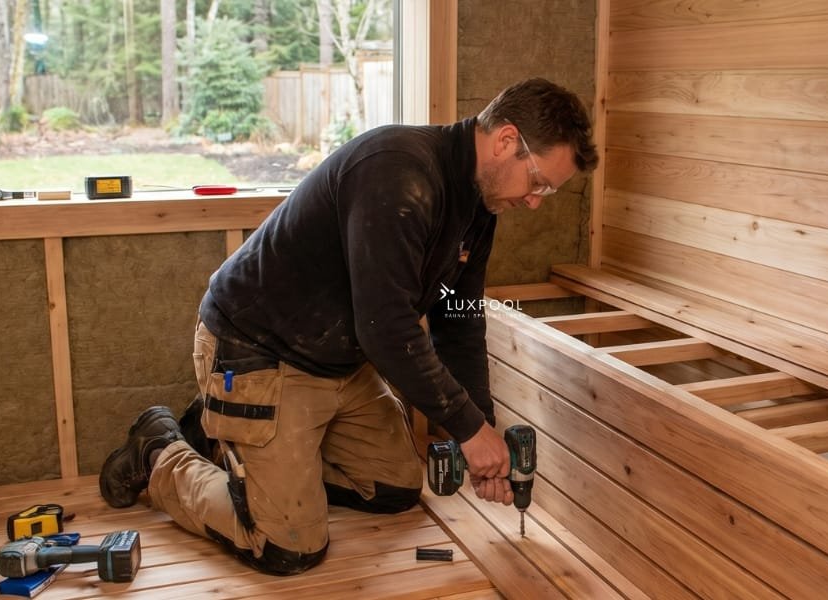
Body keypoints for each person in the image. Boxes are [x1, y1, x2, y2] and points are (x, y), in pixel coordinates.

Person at [97, 78, 599, 576]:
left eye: (548, 191)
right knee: (287, 546)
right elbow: (386, 327)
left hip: (337, 359)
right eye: (539, 182)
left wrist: (482, 431)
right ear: (506, 140)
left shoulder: (479, 205)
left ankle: (250, 453)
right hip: (257, 351)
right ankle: (162, 447)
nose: (536, 200)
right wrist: (470, 432)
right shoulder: (399, 171)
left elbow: (458, 321)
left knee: (396, 488)